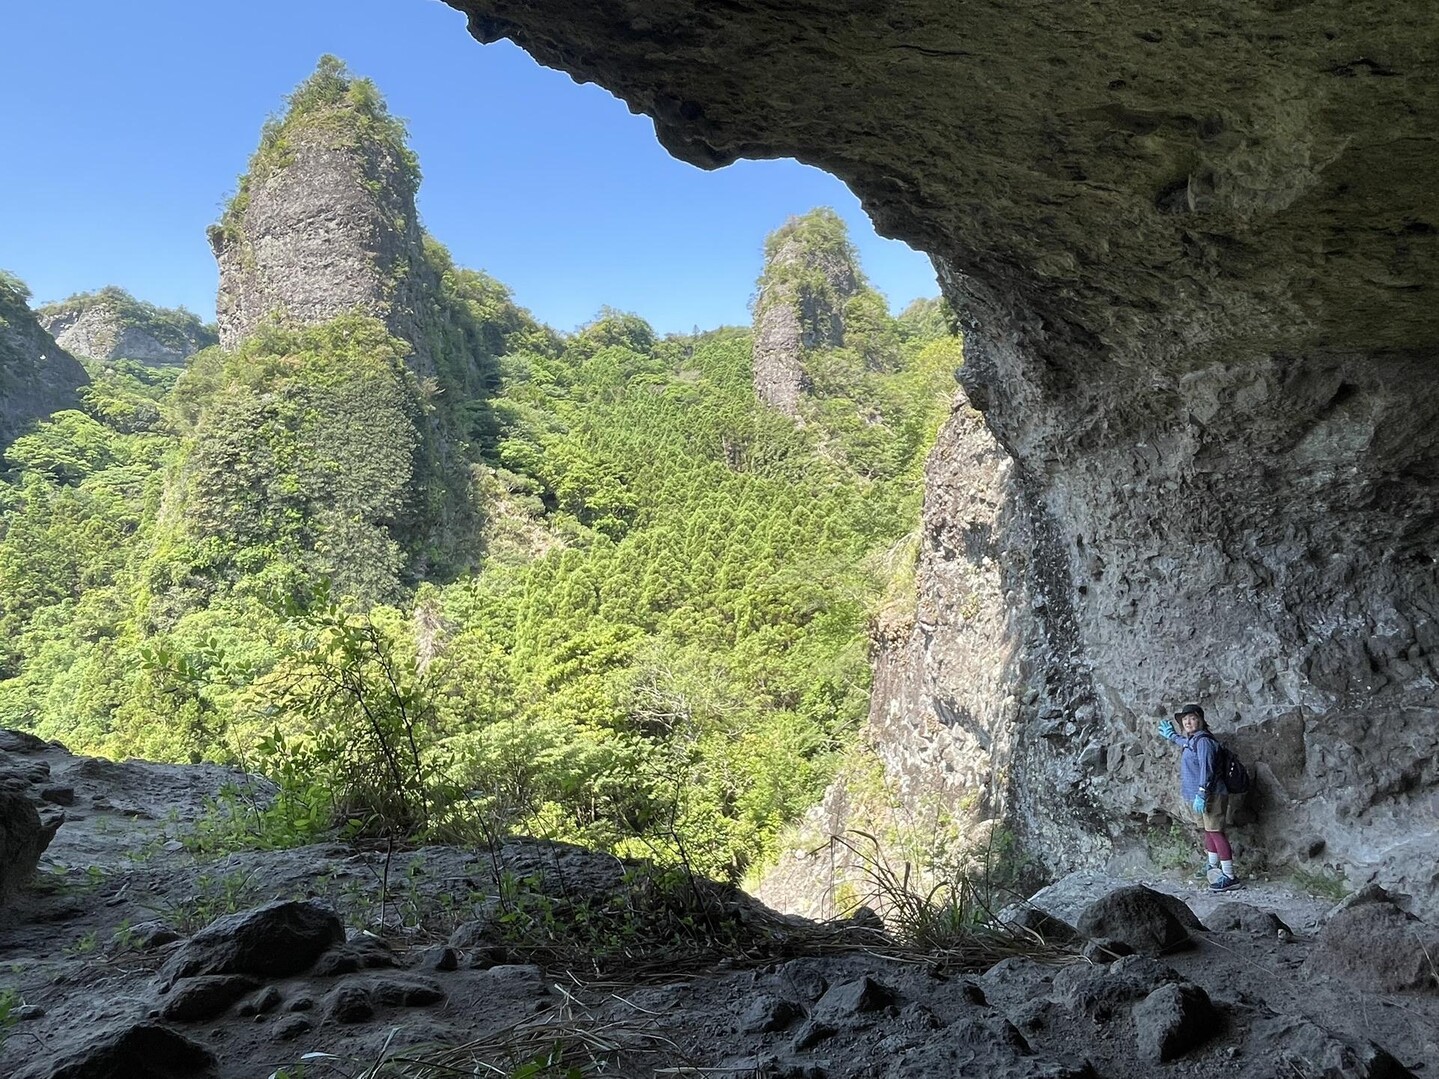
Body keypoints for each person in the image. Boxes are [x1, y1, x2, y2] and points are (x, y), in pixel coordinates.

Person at [1157, 703, 1241, 891]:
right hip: (1201, 795)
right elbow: (1185, 743)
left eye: (1193, 718)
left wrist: (1202, 792)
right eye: (1185, 719)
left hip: (1212, 794)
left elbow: (1207, 768)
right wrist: (1172, 736)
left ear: (1201, 721)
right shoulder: (1193, 740)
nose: (1188, 722)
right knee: (1208, 831)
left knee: (1216, 832)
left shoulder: (1204, 742)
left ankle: (1229, 876)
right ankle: (1212, 866)